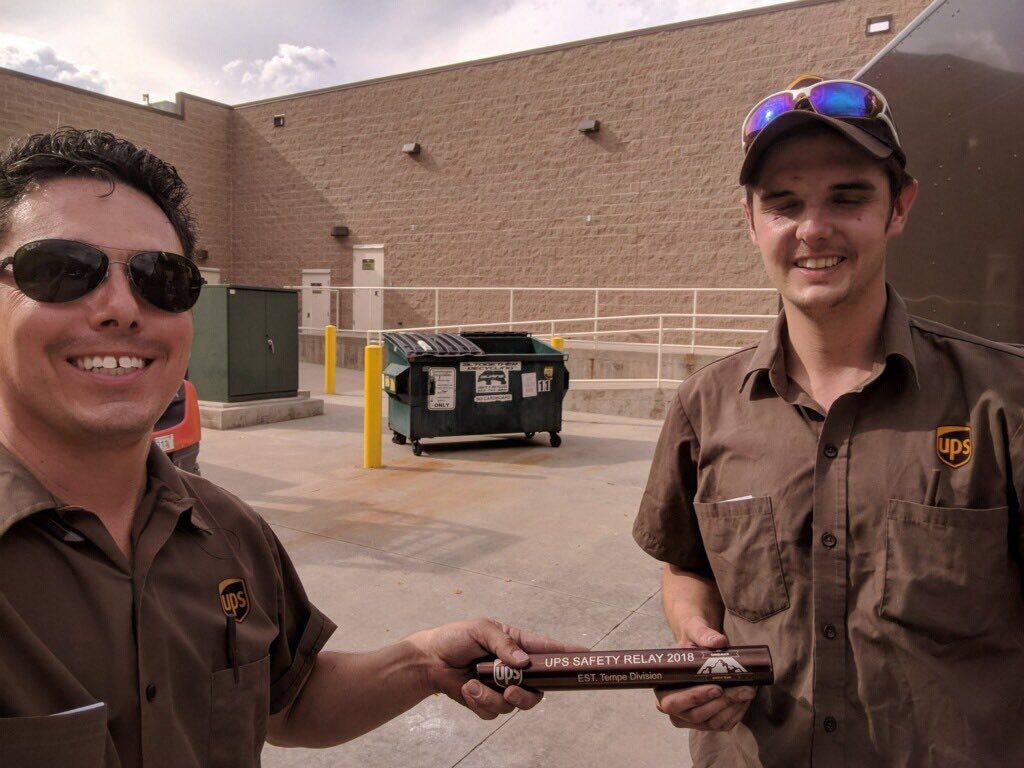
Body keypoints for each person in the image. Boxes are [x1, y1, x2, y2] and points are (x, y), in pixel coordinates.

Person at [0, 128, 573, 768]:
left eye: (159, 277)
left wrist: (422, 661)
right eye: (59, 271)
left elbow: (291, 703)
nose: (121, 308)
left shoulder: (230, 532)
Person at [633, 76, 1024, 766]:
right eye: (784, 205)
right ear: (752, 222)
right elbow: (685, 566)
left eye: (848, 198)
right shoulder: (705, 404)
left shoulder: (1004, 401)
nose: (814, 229)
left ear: (898, 208)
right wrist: (694, 635)